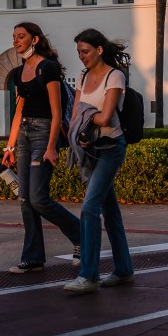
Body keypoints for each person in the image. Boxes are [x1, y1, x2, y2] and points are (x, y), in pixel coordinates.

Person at [1, 22, 81, 274]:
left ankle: (82, 236)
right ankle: (33, 257)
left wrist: (51, 147)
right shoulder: (18, 73)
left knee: (38, 198)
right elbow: (19, 112)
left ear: (35, 39)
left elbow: (57, 112)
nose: (16, 40)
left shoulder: (48, 68)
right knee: (25, 199)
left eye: (21, 36)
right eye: (14, 37)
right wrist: (10, 146)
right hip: (23, 134)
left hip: (45, 132)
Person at [63, 28, 135, 293]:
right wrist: (79, 132)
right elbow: (74, 117)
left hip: (111, 146)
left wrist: (85, 117)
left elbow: (105, 118)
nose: (81, 57)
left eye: (85, 51)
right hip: (89, 147)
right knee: (111, 212)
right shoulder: (82, 76)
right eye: (79, 52)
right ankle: (124, 270)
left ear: (99, 50)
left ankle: (89, 275)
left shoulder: (114, 76)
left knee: (89, 208)